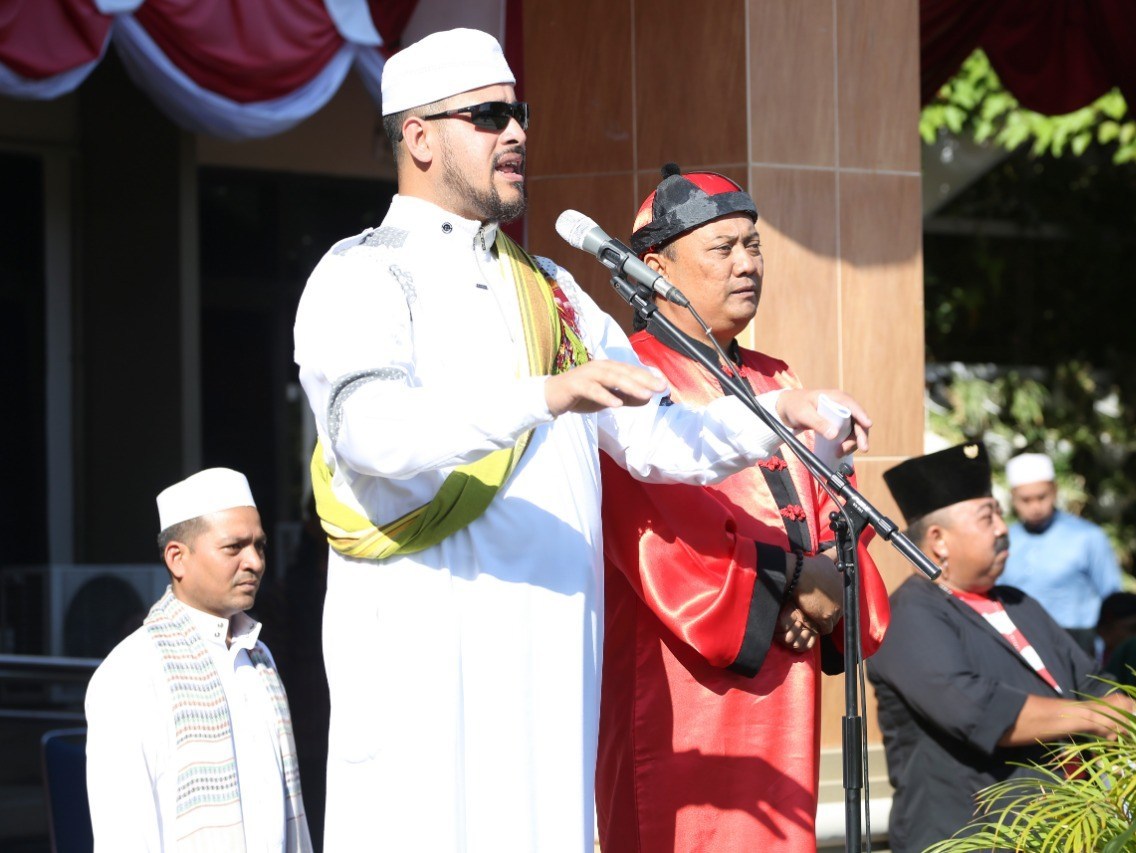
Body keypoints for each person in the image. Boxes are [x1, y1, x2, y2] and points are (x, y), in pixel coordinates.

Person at [292, 29, 867, 852]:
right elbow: (369, 432)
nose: (518, 134)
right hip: (432, 650)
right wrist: (544, 394)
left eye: (518, 113)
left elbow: (658, 436)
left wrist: (783, 414)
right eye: (490, 116)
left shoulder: (550, 288)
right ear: (417, 137)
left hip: (551, 663)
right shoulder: (364, 273)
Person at [594, 165, 891, 851]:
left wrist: (830, 578)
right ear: (653, 267)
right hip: (684, 686)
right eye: (722, 248)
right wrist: (799, 584)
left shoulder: (774, 377)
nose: (746, 263)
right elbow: (662, 540)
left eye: (753, 245)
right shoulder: (630, 378)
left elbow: (830, 506)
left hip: (787, 679)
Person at [866, 443, 1135, 852]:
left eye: (998, 513)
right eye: (986, 516)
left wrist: (1119, 705)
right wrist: (1094, 716)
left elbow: (1090, 679)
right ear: (938, 540)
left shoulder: (1018, 602)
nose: (1002, 528)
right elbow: (977, 711)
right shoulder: (908, 615)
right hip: (970, 838)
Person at [85, 468, 311, 852]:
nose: (254, 562)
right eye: (233, 547)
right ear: (177, 558)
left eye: (259, 546)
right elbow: (124, 838)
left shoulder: (257, 656)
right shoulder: (131, 673)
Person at [1000, 451, 1123, 652]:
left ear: (1055, 491)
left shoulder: (1088, 537)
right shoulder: (1005, 539)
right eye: (1026, 500)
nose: (1035, 507)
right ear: (1013, 497)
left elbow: (1113, 601)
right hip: (1022, 649)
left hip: (1079, 649)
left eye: (1042, 497)